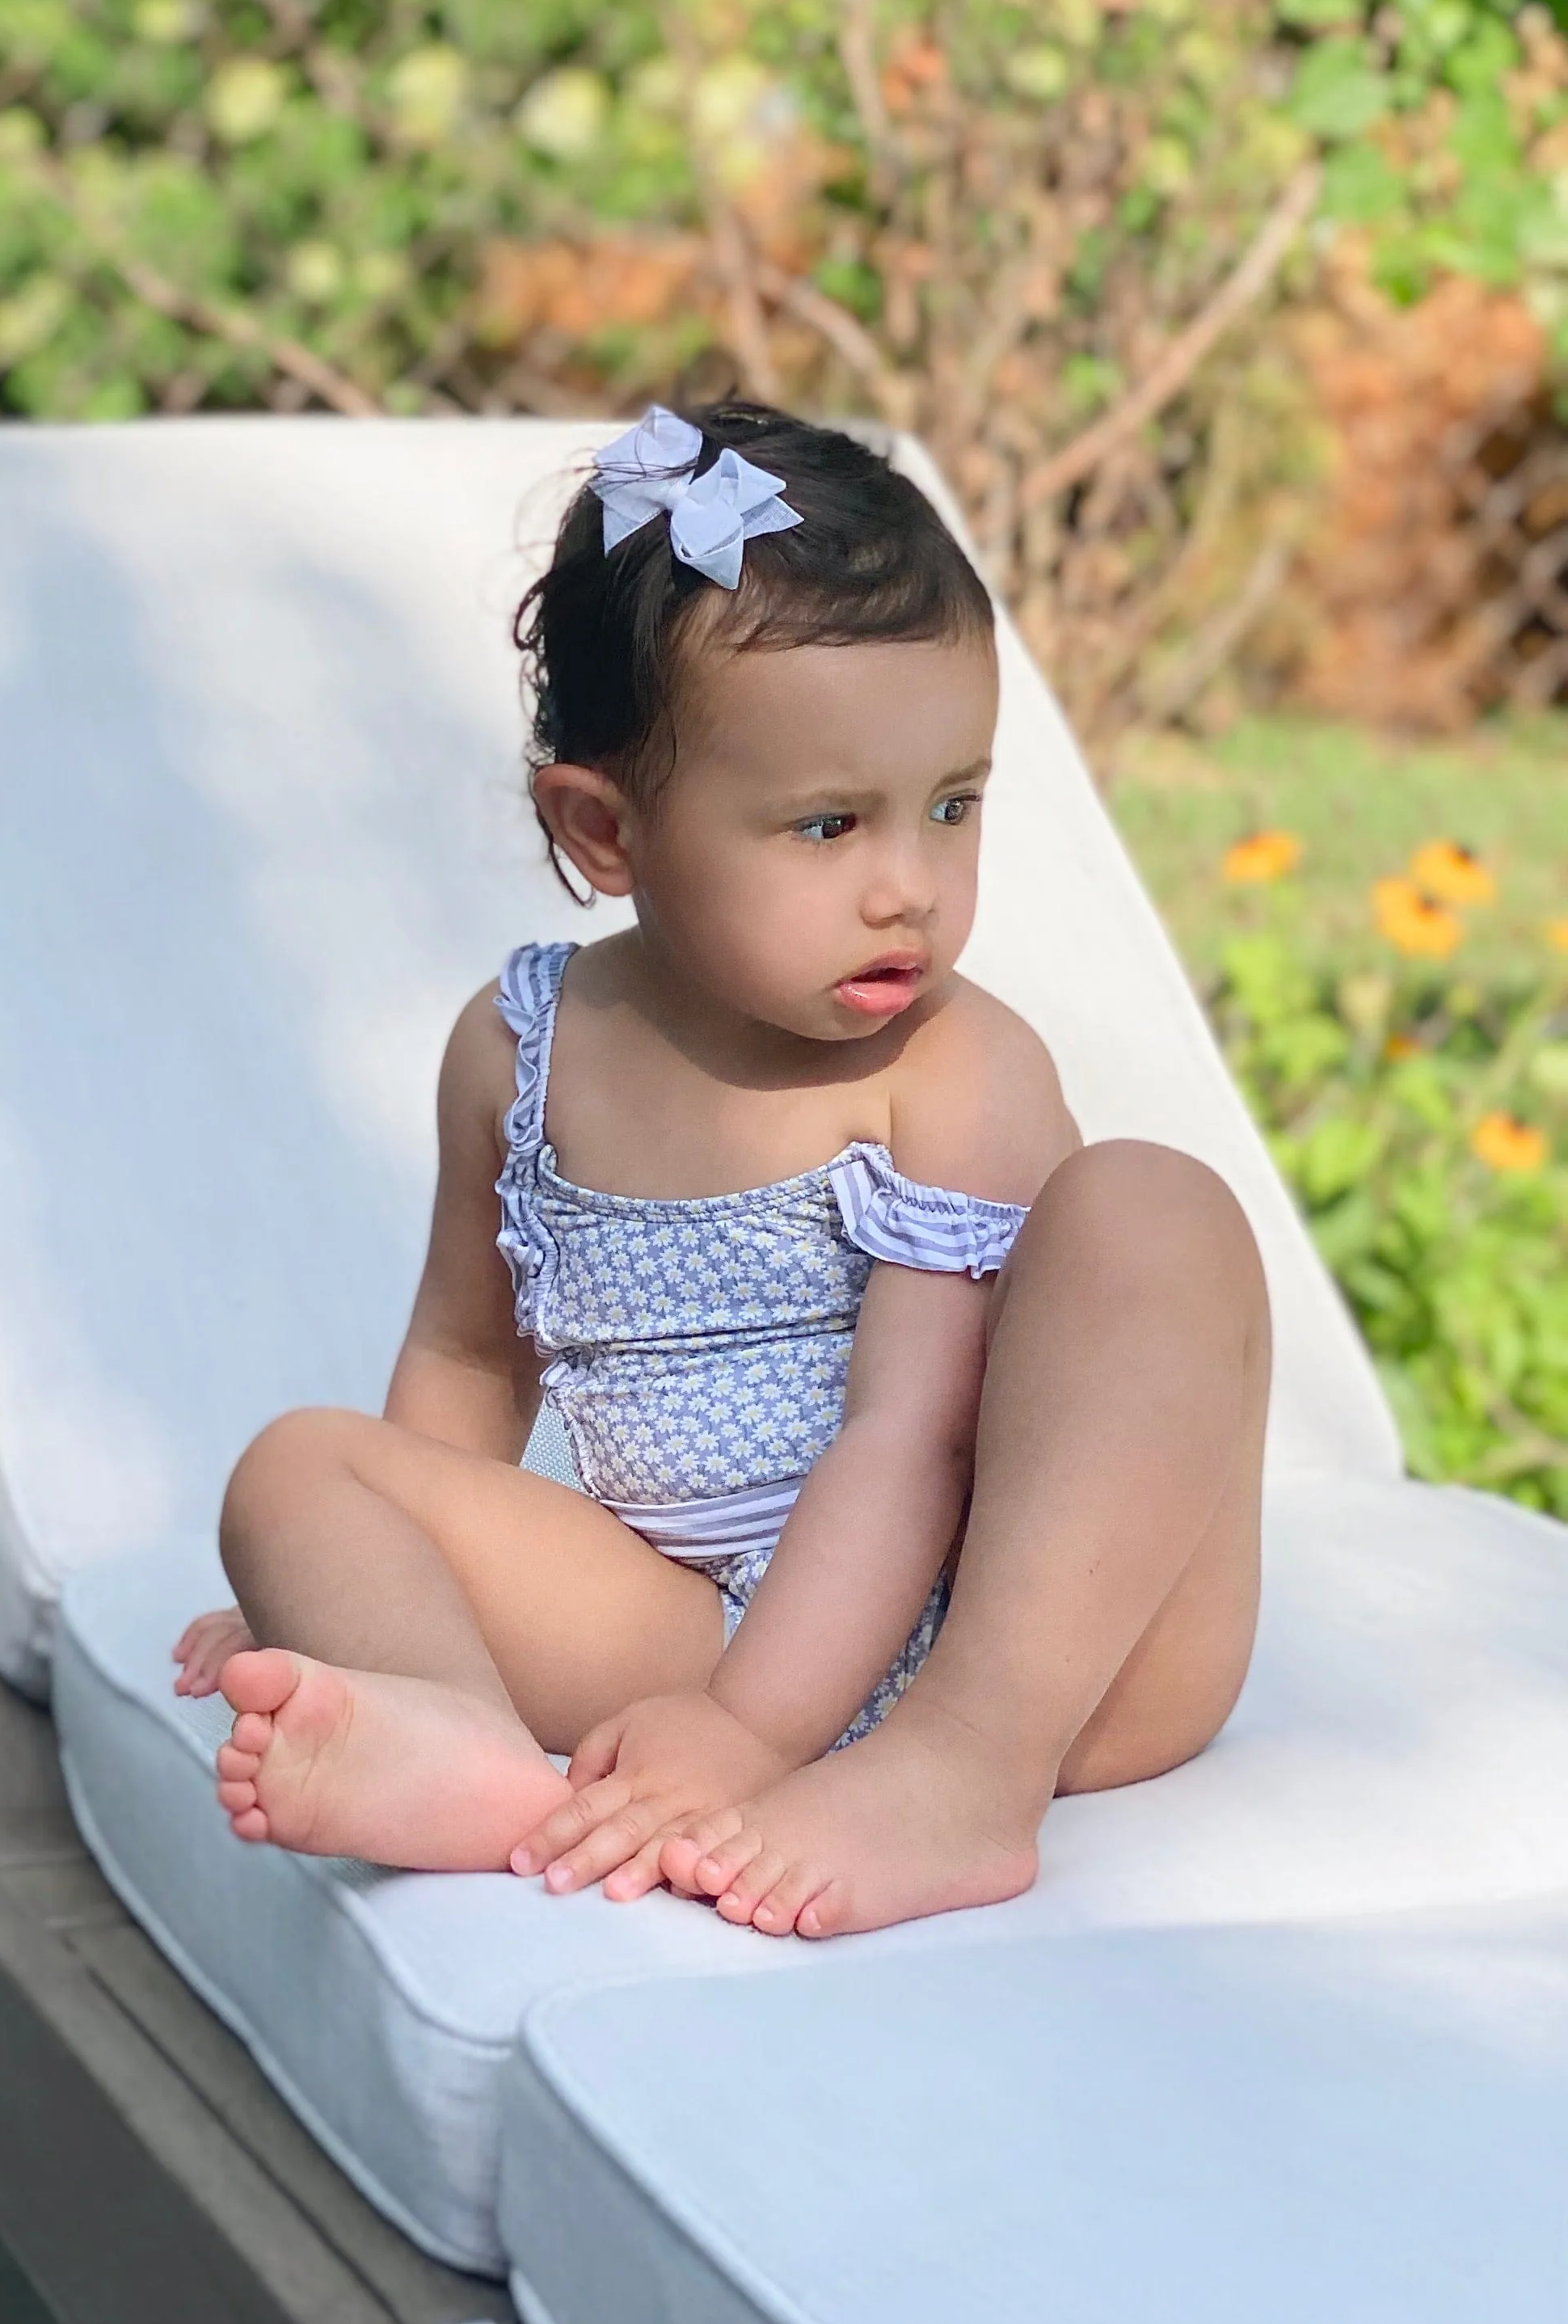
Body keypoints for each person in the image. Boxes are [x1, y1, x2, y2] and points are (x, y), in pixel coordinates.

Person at [169, 403, 1266, 1940]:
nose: (911, 887)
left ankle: (962, 1777)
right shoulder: (520, 1051)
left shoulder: (955, 1070)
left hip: (1043, 1635)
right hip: (693, 1628)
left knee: (1155, 1209)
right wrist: (385, 1606)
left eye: (954, 804)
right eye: (828, 824)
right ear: (604, 830)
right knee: (296, 1471)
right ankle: (457, 1747)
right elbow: (467, 1357)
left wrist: (752, 1735)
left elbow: (913, 1444)